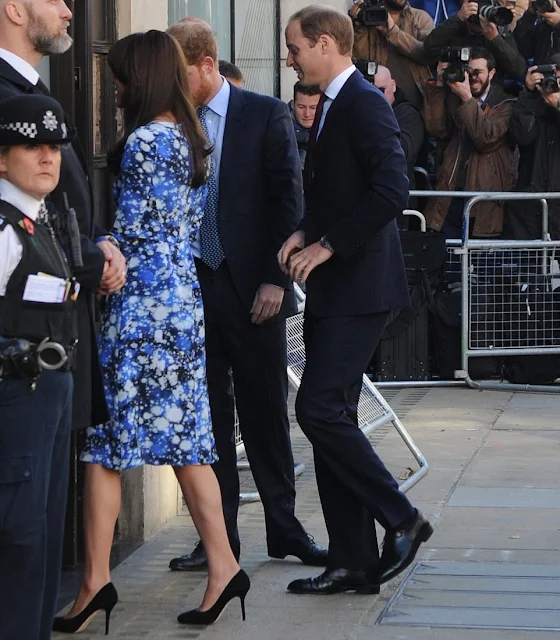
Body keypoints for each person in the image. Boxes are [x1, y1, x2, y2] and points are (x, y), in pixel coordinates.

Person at [53, 31, 249, 633]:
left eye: (118, 77)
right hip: (179, 301)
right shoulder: (191, 137)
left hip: (142, 307)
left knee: (106, 442)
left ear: (137, 78)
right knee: (187, 439)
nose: (113, 87)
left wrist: (99, 248)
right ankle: (223, 566)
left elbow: (134, 234)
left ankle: (94, 582)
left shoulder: (144, 141)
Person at [279, 5, 432, 596]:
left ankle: (401, 517)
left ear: (323, 44)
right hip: (338, 289)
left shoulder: (364, 102)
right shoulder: (336, 103)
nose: (290, 58)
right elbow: (335, 187)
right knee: (330, 417)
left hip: (361, 287)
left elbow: (392, 189)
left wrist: (327, 246)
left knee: (316, 410)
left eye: (294, 48)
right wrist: (304, 229)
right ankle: (352, 559)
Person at [166, 17, 327, 573]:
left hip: (254, 288)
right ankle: (218, 540)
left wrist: (275, 280)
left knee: (263, 411)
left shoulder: (264, 114)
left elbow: (289, 200)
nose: (170, 83)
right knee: (206, 418)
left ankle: (284, 528)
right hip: (192, 288)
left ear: (207, 65)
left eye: (178, 71)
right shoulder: (170, 121)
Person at [0, 0, 127, 436]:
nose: (68, 10)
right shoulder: (6, 94)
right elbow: (32, 207)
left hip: (59, 330)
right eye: (53, 0)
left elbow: (68, 197)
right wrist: (92, 260)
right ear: (14, 9)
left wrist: (102, 242)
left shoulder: (32, 90)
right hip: (24, 342)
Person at [0, 94, 79, 640]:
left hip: (49, 389)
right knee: (19, 534)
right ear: (2, 157)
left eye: (53, 147)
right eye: (32, 146)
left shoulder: (42, 217)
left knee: (46, 535)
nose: (47, 157)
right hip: (15, 393)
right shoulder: (4, 228)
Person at [423, 47, 516, 238]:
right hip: (450, 194)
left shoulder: (506, 104)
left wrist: (466, 98)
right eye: (468, 71)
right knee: (447, 260)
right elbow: (436, 129)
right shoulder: (454, 98)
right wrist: (438, 86)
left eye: (478, 72)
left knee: (479, 263)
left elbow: (485, 138)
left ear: (492, 72)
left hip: (484, 201)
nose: (472, 77)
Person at [504, 57, 560, 239]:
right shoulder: (534, 107)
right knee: (530, 265)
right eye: (553, 80)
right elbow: (522, 135)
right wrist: (528, 93)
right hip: (532, 205)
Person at [350, 0, 434, 110]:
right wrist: (356, 27)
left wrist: (393, 32)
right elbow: (357, 60)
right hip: (377, 103)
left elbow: (428, 55)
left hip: (418, 105)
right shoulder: (368, 19)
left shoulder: (420, 18)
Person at [423, 0, 527, 87]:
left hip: (489, 99)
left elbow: (519, 70)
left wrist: (495, 39)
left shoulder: (498, 33)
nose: (479, 14)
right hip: (455, 91)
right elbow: (429, 48)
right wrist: (458, 18)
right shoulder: (454, 28)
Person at [373, 64, 424, 200]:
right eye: (370, 90)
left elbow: (402, 152)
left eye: (380, 90)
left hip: (397, 196)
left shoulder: (408, 114)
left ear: (393, 85)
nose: (375, 96)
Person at [514, 0, 560, 64]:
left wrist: (558, 25)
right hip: (541, 71)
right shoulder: (541, 27)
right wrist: (529, 15)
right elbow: (523, 52)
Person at [290, 81, 322, 167]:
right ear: (293, 104)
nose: (307, 114)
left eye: (313, 108)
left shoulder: (333, 125)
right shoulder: (280, 129)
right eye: (301, 107)